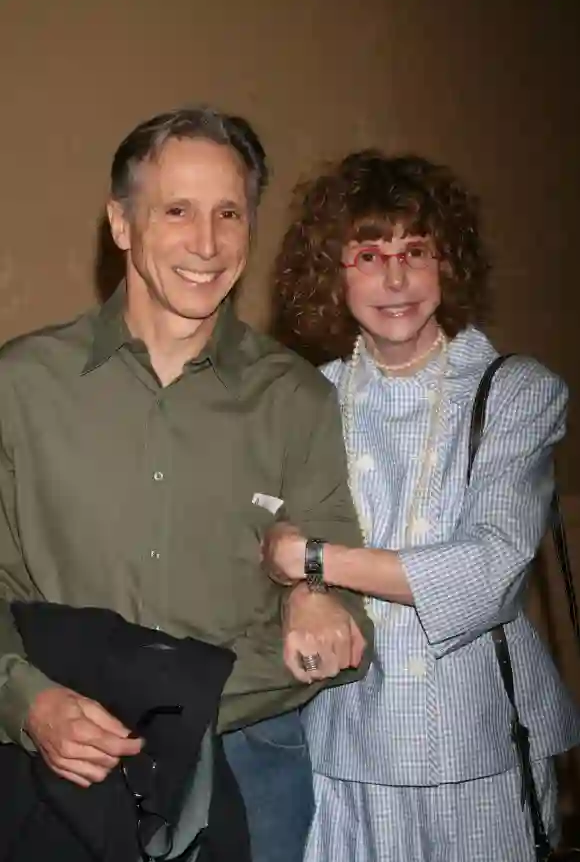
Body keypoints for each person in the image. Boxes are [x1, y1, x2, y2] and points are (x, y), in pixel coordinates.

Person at [0, 107, 372, 862]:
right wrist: (25, 697)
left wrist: (313, 599)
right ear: (122, 223)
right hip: (55, 762)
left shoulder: (298, 400)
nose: (207, 245)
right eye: (177, 210)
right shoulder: (19, 387)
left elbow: (341, 601)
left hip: (250, 767)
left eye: (229, 213)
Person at [267, 150, 580, 861]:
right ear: (332, 271)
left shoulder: (516, 392)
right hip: (342, 738)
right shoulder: (302, 398)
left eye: (417, 250)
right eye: (369, 254)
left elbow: (488, 572)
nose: (397, 277)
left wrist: (313, 559)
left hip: (476, 743)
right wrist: (297, 590)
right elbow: (251, 528)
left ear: (450, 263)